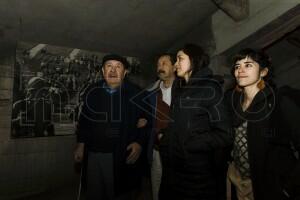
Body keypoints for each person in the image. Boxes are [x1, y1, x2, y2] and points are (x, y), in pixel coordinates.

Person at [159, 44, 233, 200]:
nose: (175, 64)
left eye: (180, 59)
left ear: (194, 60)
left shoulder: (210, 88)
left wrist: (192, 143)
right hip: (173, 172)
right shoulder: (179, 88)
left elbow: (225, 134)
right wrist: (165, 140)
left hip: (198, 176)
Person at [226, 48, 300, 200]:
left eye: (248, 65)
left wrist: (288, 187)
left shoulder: (279, 102)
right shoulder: (233, 104)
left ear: (263, 72)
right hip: (241, 185)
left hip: (272, 187)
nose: (240, 70)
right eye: (237, 66)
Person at [73, 54, 147, 200]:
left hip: (120, 156)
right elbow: (84, 120)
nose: (113, 70)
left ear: (125, 72)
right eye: (109, 66)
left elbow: (147, 121)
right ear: (102, 70)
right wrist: (81, 144)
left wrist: (139, 142)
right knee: (95, 194)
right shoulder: (92, 91)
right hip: (93, 154)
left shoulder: (136, 93)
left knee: (119, 194)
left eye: (118, 66)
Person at [145, 53, 176, 200]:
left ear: (175, 66)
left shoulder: (185, 90)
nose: (160, 67)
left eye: (164, 63)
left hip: (177, 151)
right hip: (156, 151)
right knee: (157, 188)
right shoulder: (151, 94)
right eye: (158, 64)